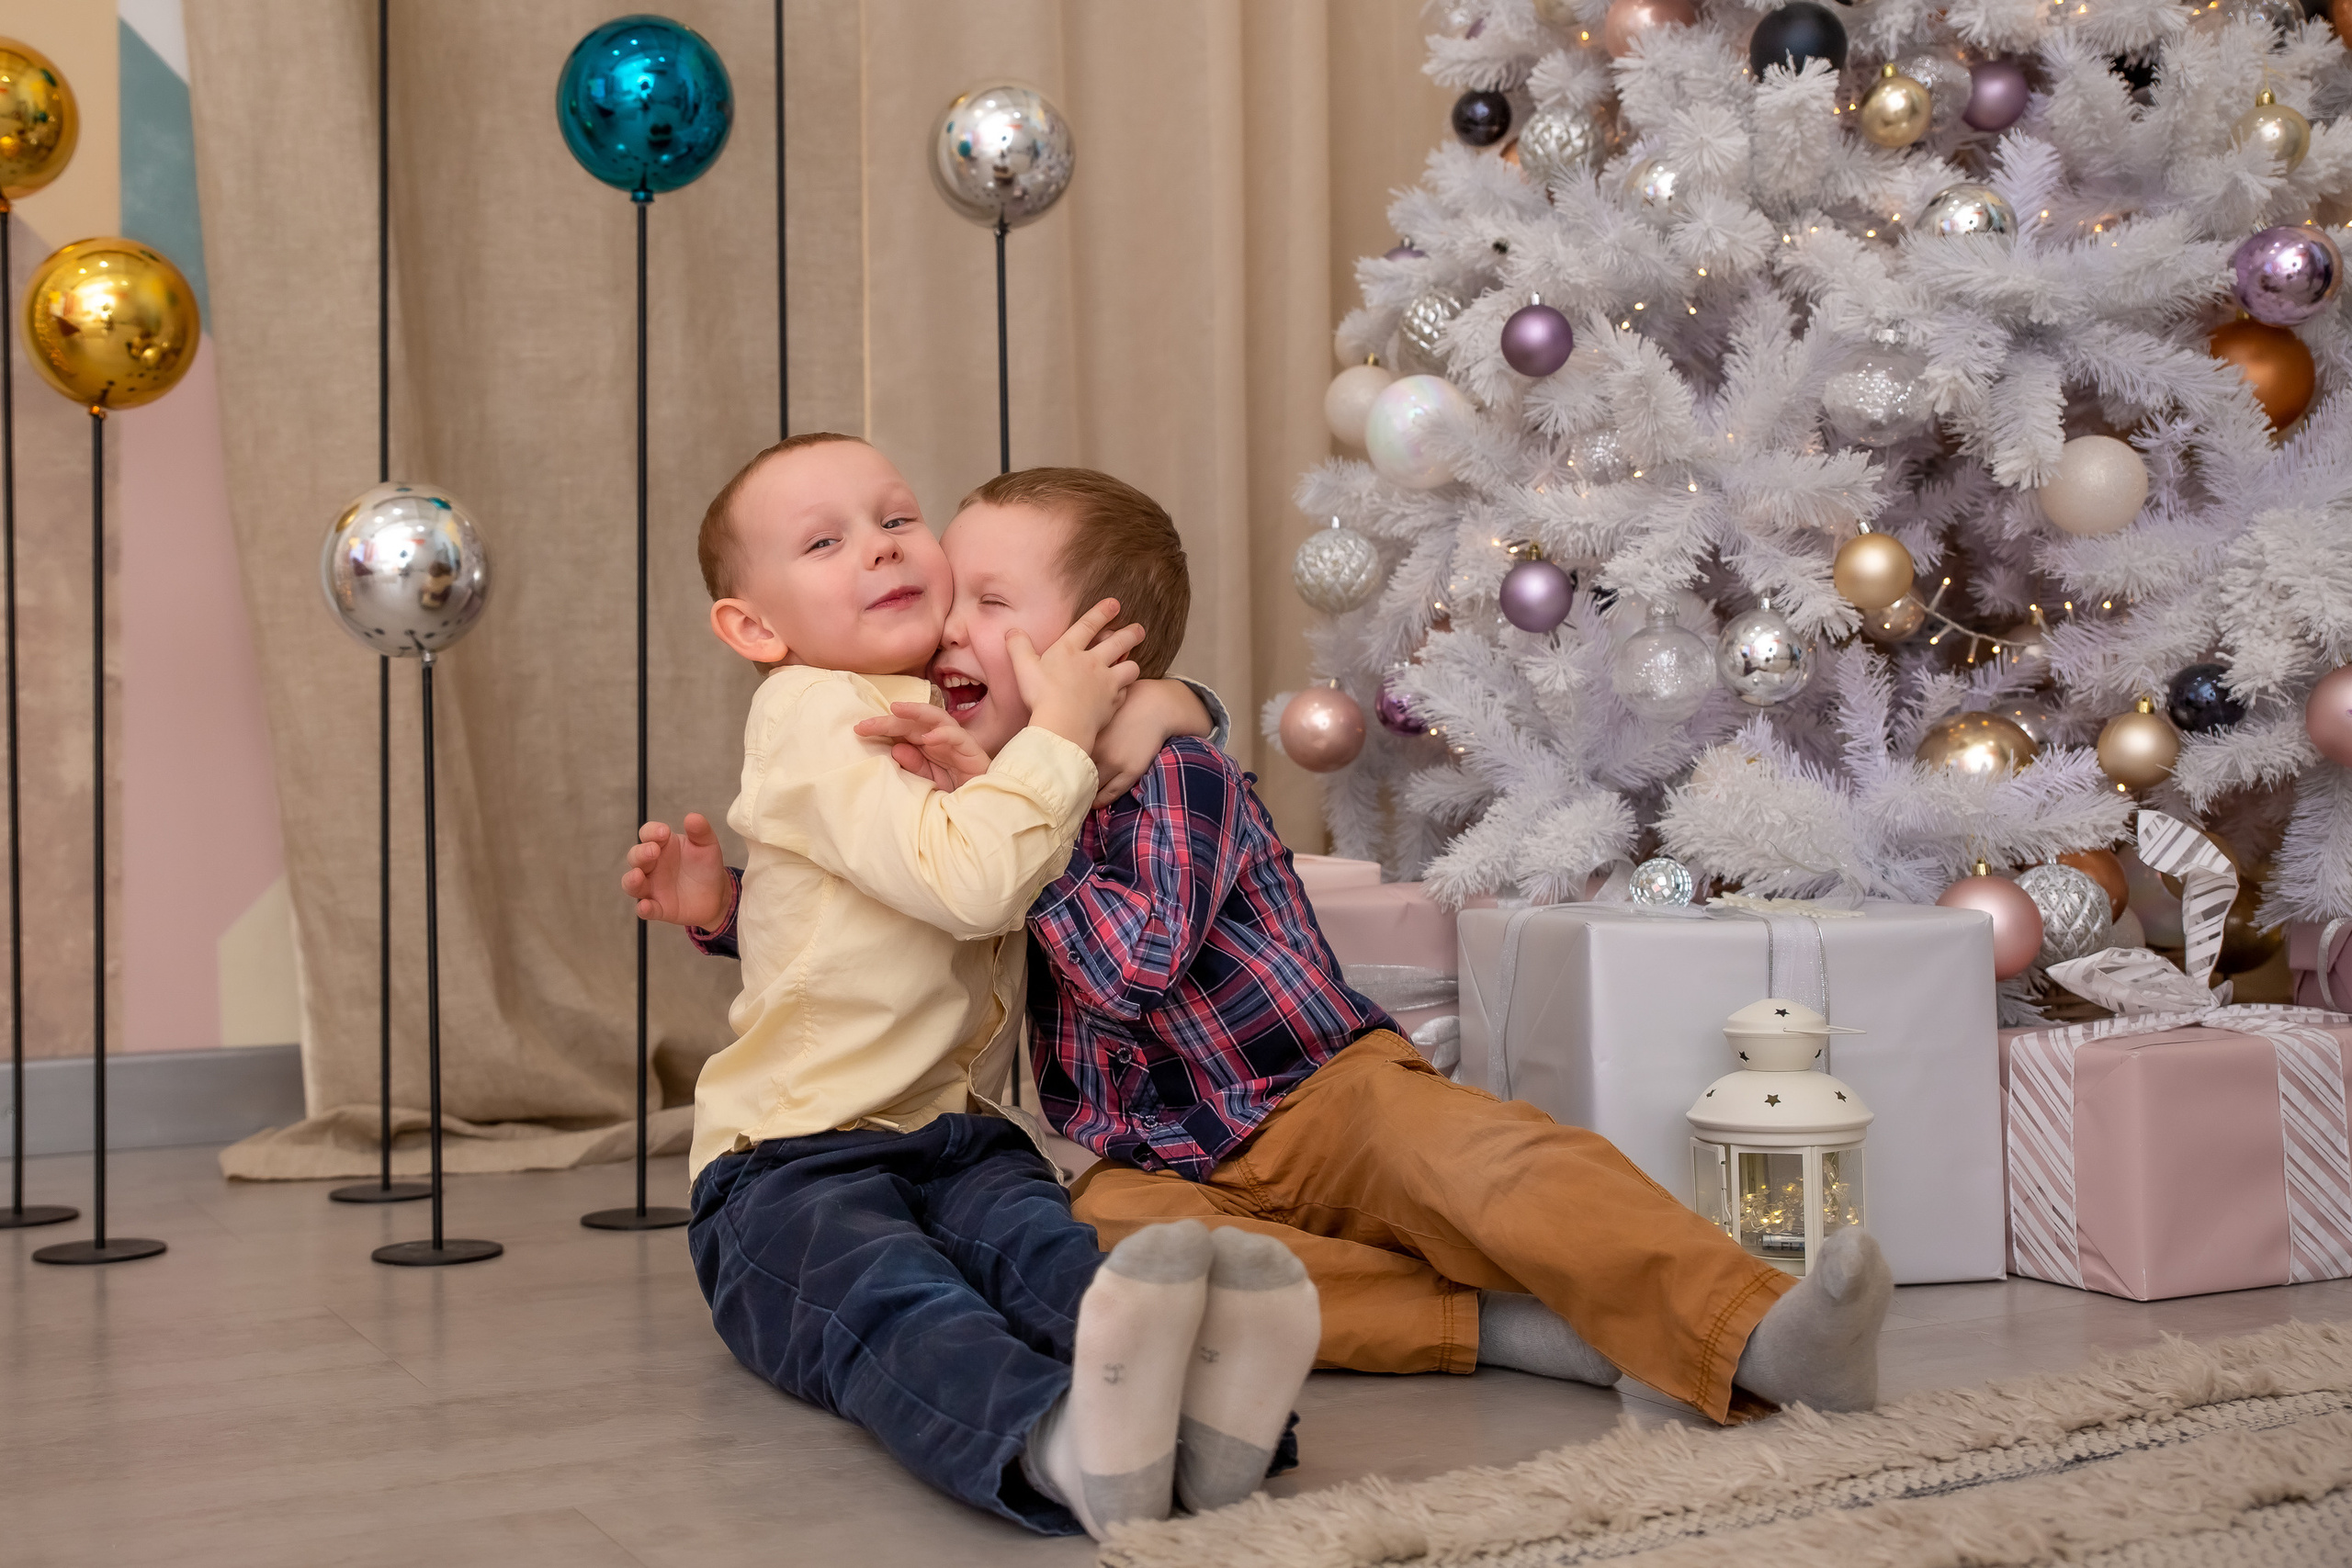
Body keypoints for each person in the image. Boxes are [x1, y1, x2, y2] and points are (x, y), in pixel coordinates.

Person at [634, 462, 1892, 1429]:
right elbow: (888, 916)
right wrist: (725, 909)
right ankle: (1501, 1325)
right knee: (1120, 1265)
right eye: (953, 599)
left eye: (992, 604)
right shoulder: (987, 787)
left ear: (1106, 652)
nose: (951, 627)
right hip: (1144, 1150)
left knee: (1485, 1163)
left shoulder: (1164, 764)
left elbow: (1131, 965)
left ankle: (1756, 1324)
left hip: (1316, 1094)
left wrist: (1099, 756)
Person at [674, 433, 1318, 1540]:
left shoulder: (953, 692)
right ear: (755, 628)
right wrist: (1066, 724)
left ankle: (1209, 1426)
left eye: (892, 517)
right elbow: (973, 883)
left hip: (965, 1134)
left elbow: (847, 923)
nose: (877, 551)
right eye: (826, 543)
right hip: (788, 1164)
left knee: (1053, 1259)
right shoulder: (810, 711)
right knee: (894, 1301)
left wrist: (1173, 696)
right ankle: (1057, 1445)